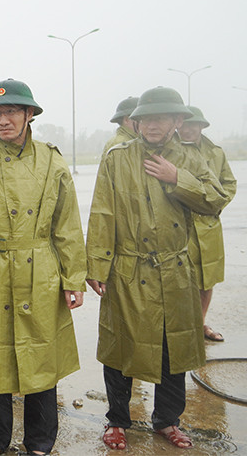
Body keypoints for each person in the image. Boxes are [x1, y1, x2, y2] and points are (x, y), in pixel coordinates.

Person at [86, 87, 230, 451]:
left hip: (176, 270)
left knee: (173, 349)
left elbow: (215, 201)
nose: (151, 125)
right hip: (129, 270)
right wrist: (98, 266)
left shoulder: (192, 159)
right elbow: (103, 212)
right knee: (121, 347)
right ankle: (117, 419)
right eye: (146, 118)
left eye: (160, 118)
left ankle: (167, 420)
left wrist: (177, 177)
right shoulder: (118, 157)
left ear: (177, 121)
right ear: (136, 121)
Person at [0, 79, 86, 456]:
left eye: (11, 111)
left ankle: (40, 441)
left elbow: (67, 224)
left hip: (40, 271)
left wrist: (72, 277)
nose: (2, 120)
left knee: (41, 357)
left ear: (29, 115)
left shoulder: (51, 159)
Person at [177, 106, 237, 342]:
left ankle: (200, 324)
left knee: (206, 279)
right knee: (181, 280)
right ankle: (181, 328)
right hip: (181, 226)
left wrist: (216, 206)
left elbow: (228, 183)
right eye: (184, 124)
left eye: (194, 125)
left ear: (202, 127)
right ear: (177, 125)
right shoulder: (171, 151)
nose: (189, 129)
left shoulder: (216, 153)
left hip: (209, 226)